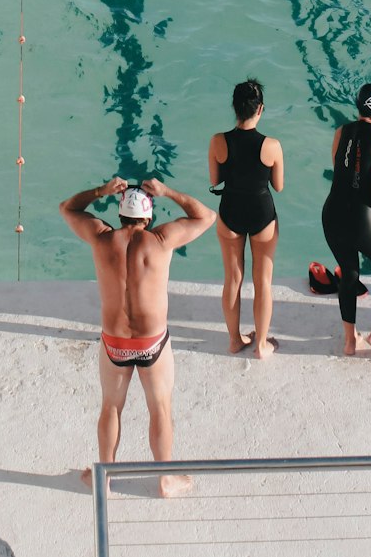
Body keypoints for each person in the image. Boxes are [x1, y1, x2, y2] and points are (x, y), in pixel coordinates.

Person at [59, 175, 215, 496]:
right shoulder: (161, 240)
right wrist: (168, 191)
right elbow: (207, 216)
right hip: (152, 342)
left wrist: (101, 190)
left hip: (115, 342)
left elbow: (68, 208)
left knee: (111, 407)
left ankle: (104, 478)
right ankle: (165, 481)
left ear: (120, 216)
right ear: (147, 217)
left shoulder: (101, 238)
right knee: (160, 408)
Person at [321, 82, 371, 358]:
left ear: (358, 105)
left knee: (349, 271)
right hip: (361, 217)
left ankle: (349, 341)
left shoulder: (340, 132)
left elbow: (340, 172)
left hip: (332, 213)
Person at [208, 79, 284, 358]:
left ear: (235, 108)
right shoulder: (272, 145)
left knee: (232, 278)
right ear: (260, 109)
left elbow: (215, 180)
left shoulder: (218, 141)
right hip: (262, 214)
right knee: (263, 281)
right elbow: (278, 185)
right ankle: (262, 345)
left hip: (230, 212)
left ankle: (234, 340)